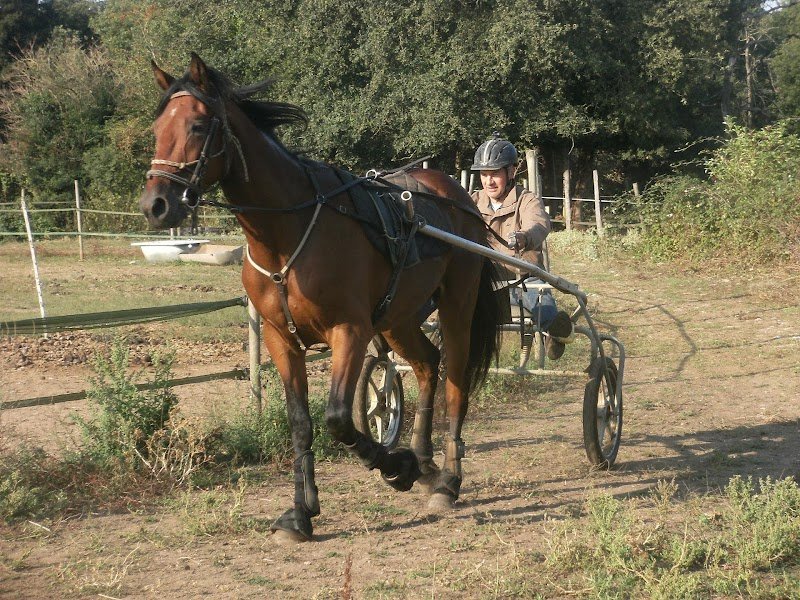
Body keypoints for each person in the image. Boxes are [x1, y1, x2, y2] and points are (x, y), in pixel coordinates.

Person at [470, 133, 573, 359]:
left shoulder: (527, 200)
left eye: (495, 174)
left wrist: (524, 237)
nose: (489, 181)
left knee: (538, 297)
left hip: (522, 276)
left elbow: (539, 224)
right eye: (484, 174)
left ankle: (555, 332)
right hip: (484, 278)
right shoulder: (473, 201)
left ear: (511, 172)